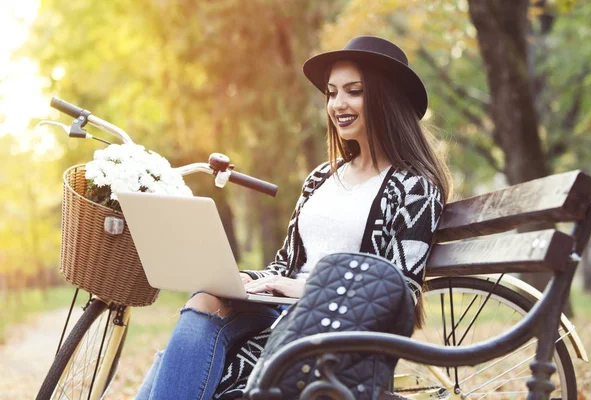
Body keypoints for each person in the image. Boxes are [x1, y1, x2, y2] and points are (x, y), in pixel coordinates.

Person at [135, 35, 452, 400]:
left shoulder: (415, 188)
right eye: (332, 93)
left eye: (354, 91)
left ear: (387, 98)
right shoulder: (321, 177)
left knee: (173, 367)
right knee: (203, 300)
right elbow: (286, 265)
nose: (338, 104)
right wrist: (244, 281)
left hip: (330, 330)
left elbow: (399, 293)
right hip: (279, 315)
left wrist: (307, 291)